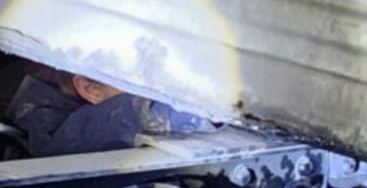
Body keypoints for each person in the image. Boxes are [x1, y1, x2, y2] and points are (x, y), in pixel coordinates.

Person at [4, 65, 213, 157]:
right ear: (90, 89)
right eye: (142, 86)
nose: (160, 90)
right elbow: (63, 145)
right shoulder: (42, 123)